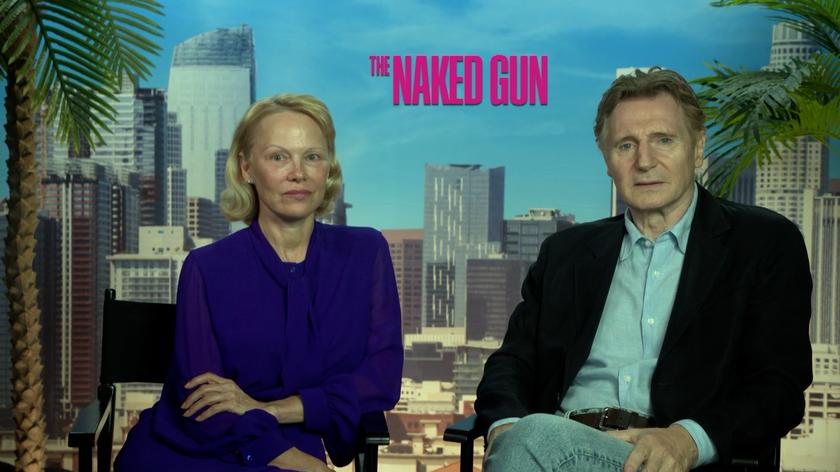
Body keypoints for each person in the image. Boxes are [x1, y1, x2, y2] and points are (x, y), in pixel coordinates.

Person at [475, 68, 812, 472]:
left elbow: (779, 386)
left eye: (663, 140)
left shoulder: (763, 243)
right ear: (607, 161)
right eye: (626, 145)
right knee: (530, 437)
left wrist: (687, 440)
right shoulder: (566, 253)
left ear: (698, 147)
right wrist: (506, 430)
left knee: (533, 438)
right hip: (553, 444)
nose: (645, 161)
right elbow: (512, 363)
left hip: (669, 460)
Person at [116, 94, 403, 471]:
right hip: (205, 446)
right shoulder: (206, 267)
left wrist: (273, 410)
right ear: (246, 168)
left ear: (328, 168)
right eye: (278, 157)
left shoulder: (366, 253)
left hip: (296, 434)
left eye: (312, 156)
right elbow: (204, 406)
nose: (298, 173)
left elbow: (382, 378)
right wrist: (305, 465)